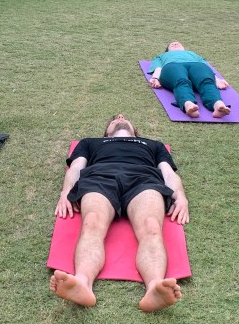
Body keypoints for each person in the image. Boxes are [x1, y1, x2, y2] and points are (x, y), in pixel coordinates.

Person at [51, 114, 189, 312]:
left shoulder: (154, 145)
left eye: (123, 117)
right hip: (99, 177)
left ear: (135, 132)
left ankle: (155, 287)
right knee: (92, 221)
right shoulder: (90, 142)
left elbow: (168, 173)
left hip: (144, 179)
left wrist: (180, 196)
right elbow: (75, 168)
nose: (120, 117)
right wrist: (66, 192)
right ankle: (82, 282)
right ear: (107, 132)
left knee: (151, 225)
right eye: (114, 119)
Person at [147, 41, 231, 118]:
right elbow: (158, 67)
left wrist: (216, 79)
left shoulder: (193, 54)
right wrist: (155, 78)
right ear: (167, 50)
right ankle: (188, 104)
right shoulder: (162, 56)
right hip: (172, 65)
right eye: (172, 44)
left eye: (178, 43)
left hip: (196, 65)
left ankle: (218, 104)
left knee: (206, 80)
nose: (175, 44)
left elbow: (206, 68)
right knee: (181, 80)